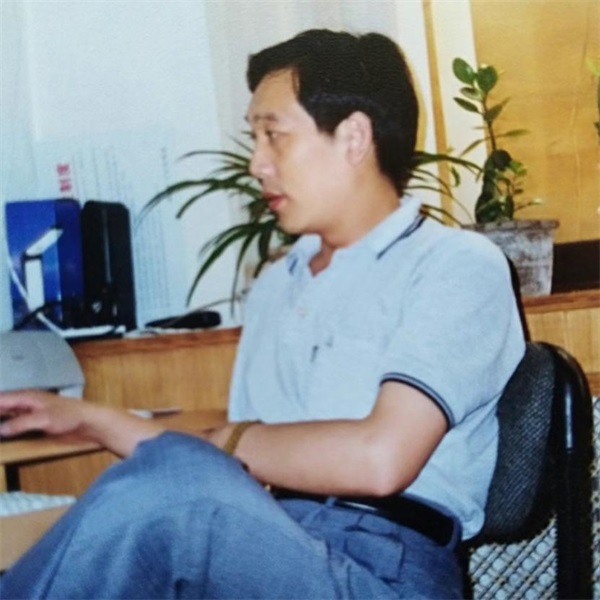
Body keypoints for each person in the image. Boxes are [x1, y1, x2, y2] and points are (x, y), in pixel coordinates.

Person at [0, 29, 525, 599]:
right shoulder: (278, 285)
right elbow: (236, 463)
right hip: (268, 545)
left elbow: (381, 459)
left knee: (178, 490)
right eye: (255, 139)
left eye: (274, 136)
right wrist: (86, 420)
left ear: (353, 138)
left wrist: (225, 441)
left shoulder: (456, 264)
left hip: (384, 567)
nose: (256, 164)